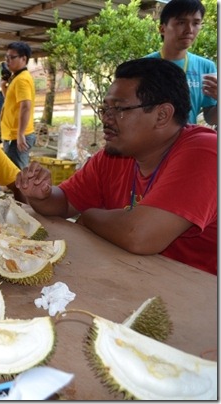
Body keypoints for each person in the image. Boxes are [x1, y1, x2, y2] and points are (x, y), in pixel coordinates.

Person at [17, 58, 217, 275]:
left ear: (162, 115)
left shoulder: (207, 152)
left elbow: (139, 235)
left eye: (119, 109)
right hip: (140, 279)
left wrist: (89, 216)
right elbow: (64, 202)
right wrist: (42, 195)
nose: (106, 119)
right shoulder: (115, 156)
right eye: (105, 109)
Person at [145, 0, 217, 126]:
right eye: (181, 22)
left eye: (196, 23)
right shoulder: (143, 66)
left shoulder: (206, 67)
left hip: (188, 141)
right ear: (162, 29)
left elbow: (211, 118)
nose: (189, 29)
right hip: (151, 142)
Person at [0, 42, 36, 170]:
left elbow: (25, 106)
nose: (8, 61)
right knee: (12, 173)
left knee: (17, 176)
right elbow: (11, 103)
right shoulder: (16, 78)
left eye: (12, 57)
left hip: (17, 135)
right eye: (6, 57)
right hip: (12, 134)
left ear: (24, 59)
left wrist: (20, 134)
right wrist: (3, 87)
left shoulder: (22, 80)